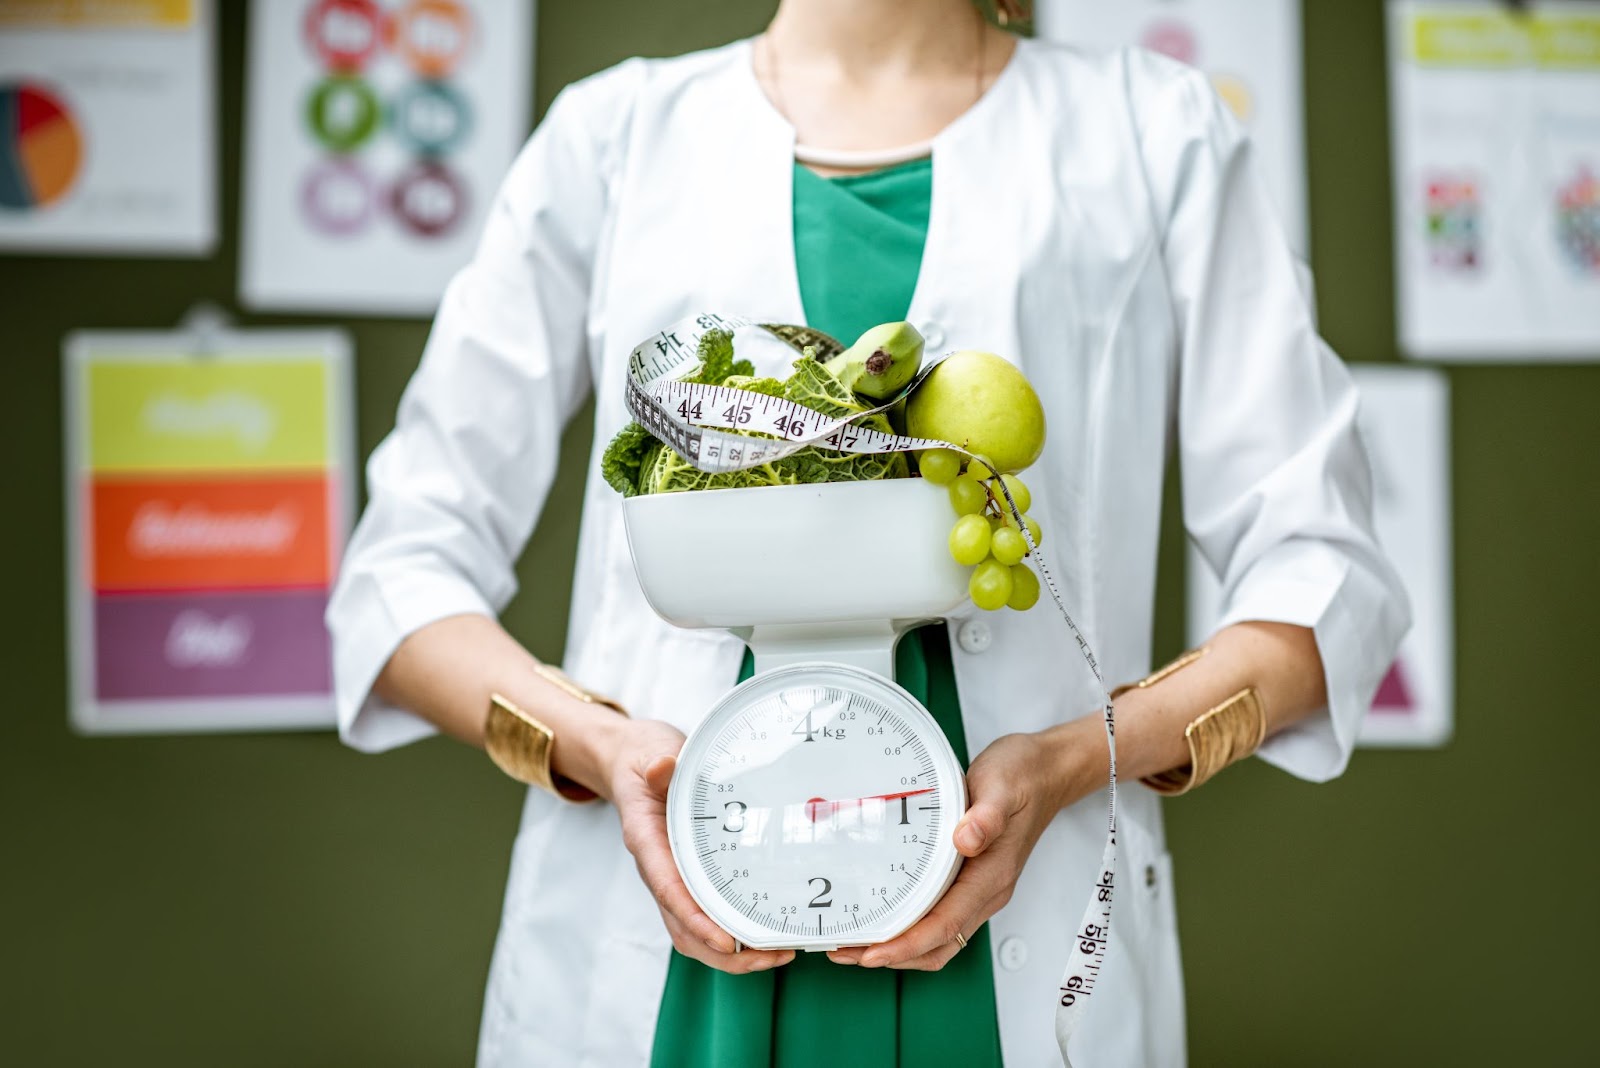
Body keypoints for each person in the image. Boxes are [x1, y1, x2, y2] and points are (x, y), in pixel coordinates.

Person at [326, 0, 1410, 1064]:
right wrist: (600, 749)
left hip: (1017, 958)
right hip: (661, 965)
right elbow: (398, 579)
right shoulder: (610, 140)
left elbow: (1326, 583)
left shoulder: (1153, 131)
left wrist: (1077, 762)